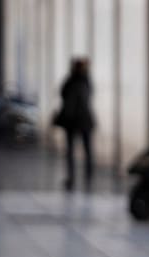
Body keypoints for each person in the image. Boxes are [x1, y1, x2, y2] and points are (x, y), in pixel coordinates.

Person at [57, 57, 95, 191]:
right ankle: (88, 177)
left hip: (72, 121)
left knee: (71, 151)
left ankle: (72, 178)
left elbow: (62, 94)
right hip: (84, 120)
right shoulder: (86, 81)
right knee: (87, 151)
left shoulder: (71, 81)